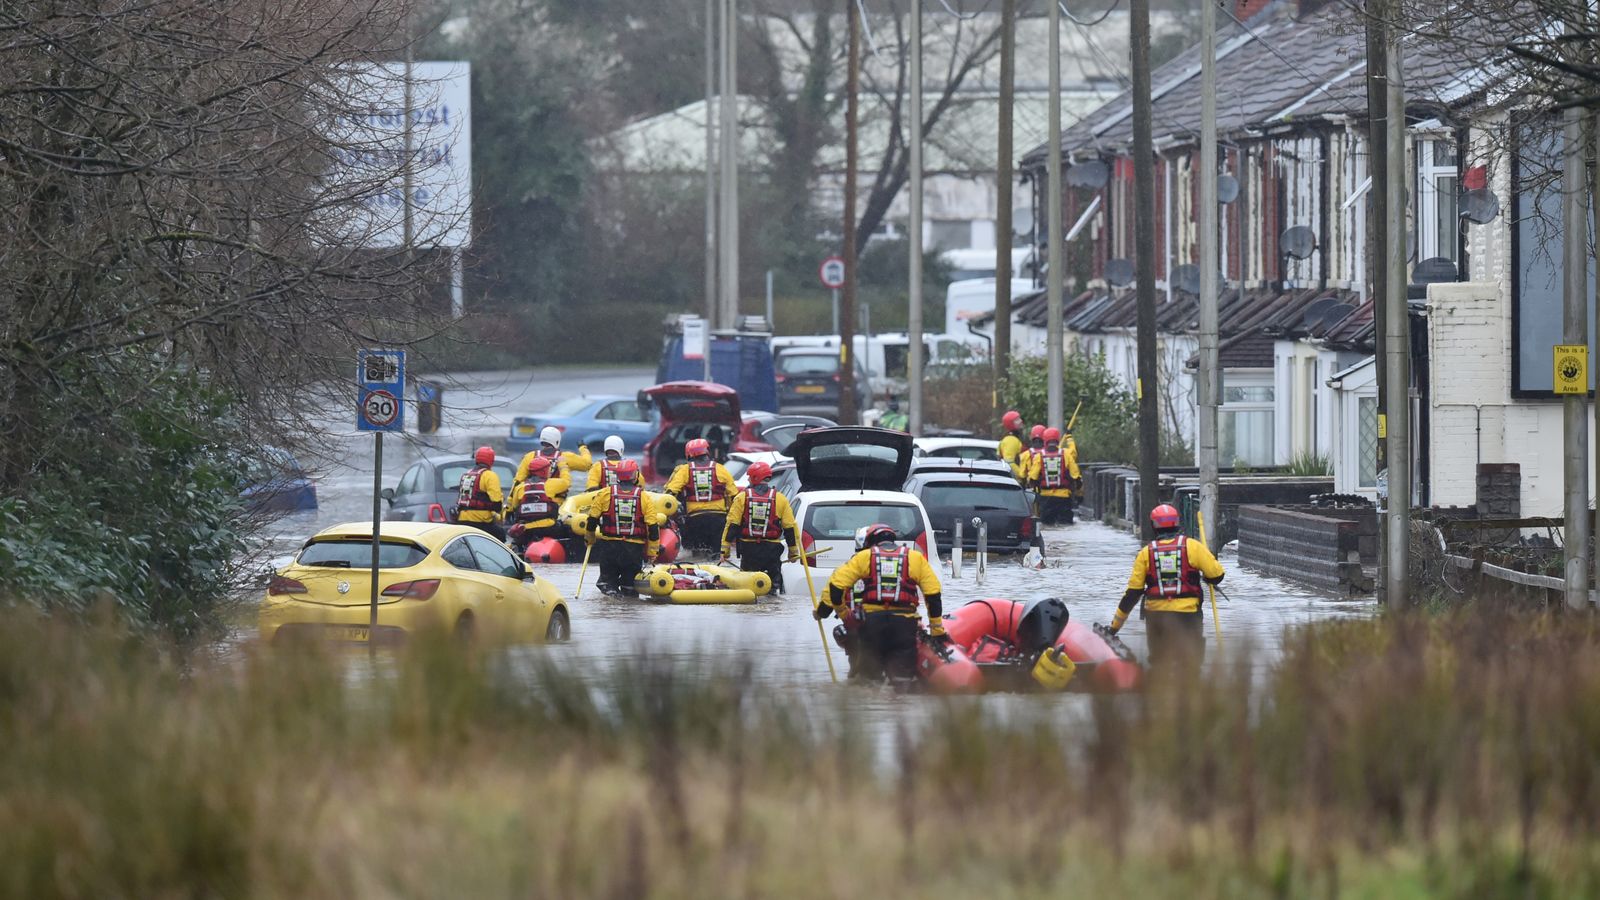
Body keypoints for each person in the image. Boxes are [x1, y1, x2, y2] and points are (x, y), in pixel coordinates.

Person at [816, 523, 944, 682]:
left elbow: (835, 588)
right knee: (902, 680)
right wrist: (937, 631)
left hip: (871, 624)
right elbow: (933, 594)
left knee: (869, 681)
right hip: (904, 625)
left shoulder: (862, 558)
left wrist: (842, 615)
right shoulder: (915, 558)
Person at [1108, 504, 1225, 669]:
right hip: (1188, 616)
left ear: (1153, 526)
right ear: (1177, 523)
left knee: (1159, 666)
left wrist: (1114, 628)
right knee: (1190, 666)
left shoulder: (1145, 553)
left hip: (1156, 617)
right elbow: (1217, 575)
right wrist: (1206, 576)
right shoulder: (1192, 546)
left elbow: (1133, 594)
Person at [582, 459, 662, 595]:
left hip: (609, 547)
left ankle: (612, 601)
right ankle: (626, 606)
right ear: (635, 475)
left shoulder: (605, 494)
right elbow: (653, 527)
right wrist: (652, 552)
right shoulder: (644, 497)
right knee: (629, 588)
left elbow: (592, 520)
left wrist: (589, 539)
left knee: (607, 584)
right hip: (633, 549)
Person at [719, 461, 798, 592]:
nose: (748, 480)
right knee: (773, 588)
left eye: (750, 477)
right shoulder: (780, 499)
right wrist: (793, 551)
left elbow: (732, 525)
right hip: (772, 551)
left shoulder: (742, 498)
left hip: (749, 551)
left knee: (748, 588)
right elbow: (790, 527)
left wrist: (724, 551)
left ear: (755, 477)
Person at [665, 437, 738, 556]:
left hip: (695, 520)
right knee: (717, 555)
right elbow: (734, 495)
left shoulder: (684, 470)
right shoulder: (720, 469)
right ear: (707, 451)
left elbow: (671, 492)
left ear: (688, 453)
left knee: (698, 556)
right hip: (718, 520)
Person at [506, 455, 570, 552]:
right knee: (569, 530)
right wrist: (562, 465)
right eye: (548, 469)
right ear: (544, 471)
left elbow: (515, 507)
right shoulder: (552, 484)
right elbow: (567, 482)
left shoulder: (520, 488)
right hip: (549, 528)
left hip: (526, 530)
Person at [452, 446, 506, 540]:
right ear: (491, 461)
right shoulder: (490, 475)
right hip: (481, 521)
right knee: (501, 535)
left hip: (462, 519)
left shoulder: (467, 474)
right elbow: (497, 504)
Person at [1034, 427, 1082, 525]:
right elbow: (1076, 476)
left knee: (1047, 525)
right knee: (1065, 524)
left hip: (1046, 498)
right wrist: (1078, 494)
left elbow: (1032, 478)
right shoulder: (1066, 454)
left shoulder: (1038, 456)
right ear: (1058, 439)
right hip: (1063, 497)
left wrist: (1037, 494)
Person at [517, 425, 592, 485]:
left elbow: (518, 480)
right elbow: (587, 464)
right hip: (555, 498)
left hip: (533, 496)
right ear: (557, 441)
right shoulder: (565, 457)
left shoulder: (530, 456)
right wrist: (583, 448)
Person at [999, 410, 1027, 481]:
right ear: (1010, 424)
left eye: (1019, 418)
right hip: (1016, 481)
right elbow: (1009, 462)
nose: (1021, 421)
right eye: (1017, 420)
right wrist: (1022, 475)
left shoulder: (1015, 438)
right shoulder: (1011, 439)